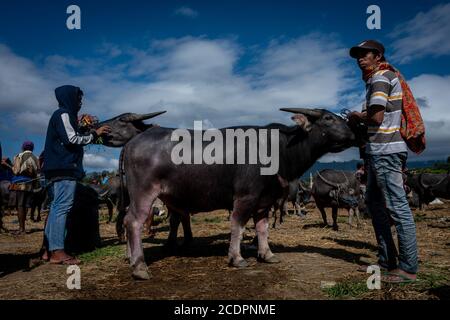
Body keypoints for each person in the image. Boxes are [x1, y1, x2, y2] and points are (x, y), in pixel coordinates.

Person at [348, 40, 419, 283]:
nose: (359, 58)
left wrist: (356, 117)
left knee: (397, 208)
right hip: (379, 151)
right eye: (357, 55)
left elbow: (376, 118)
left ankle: (408, 268)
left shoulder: (380, 78)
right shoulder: (382, 77)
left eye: (364, 54)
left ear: (377, 56)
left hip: (385, 151)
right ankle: (387, 260)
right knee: (375, 204)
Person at [42, 85, 110, 264]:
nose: (80, 103)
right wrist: (94, 134)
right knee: (62, 207)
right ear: (69, 98)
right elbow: (71, 139)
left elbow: (70, 135)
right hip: (64, 169)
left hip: (56, 169)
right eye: (78, 99)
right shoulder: (63, 114)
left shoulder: (63, 116)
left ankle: (48, 251)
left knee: (56, 207)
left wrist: (81, 127)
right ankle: (57, 251)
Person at [9, 141, 40, 234]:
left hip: (20, 183)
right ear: (32, 148)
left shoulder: (19, 155)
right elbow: (37, 172)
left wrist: (9, 166)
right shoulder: (36, 158)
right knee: (26, 205)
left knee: (20, 205)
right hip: (30, 184)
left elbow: (16, 171)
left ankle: (21, 229)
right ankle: (23, 227)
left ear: (23, 147)